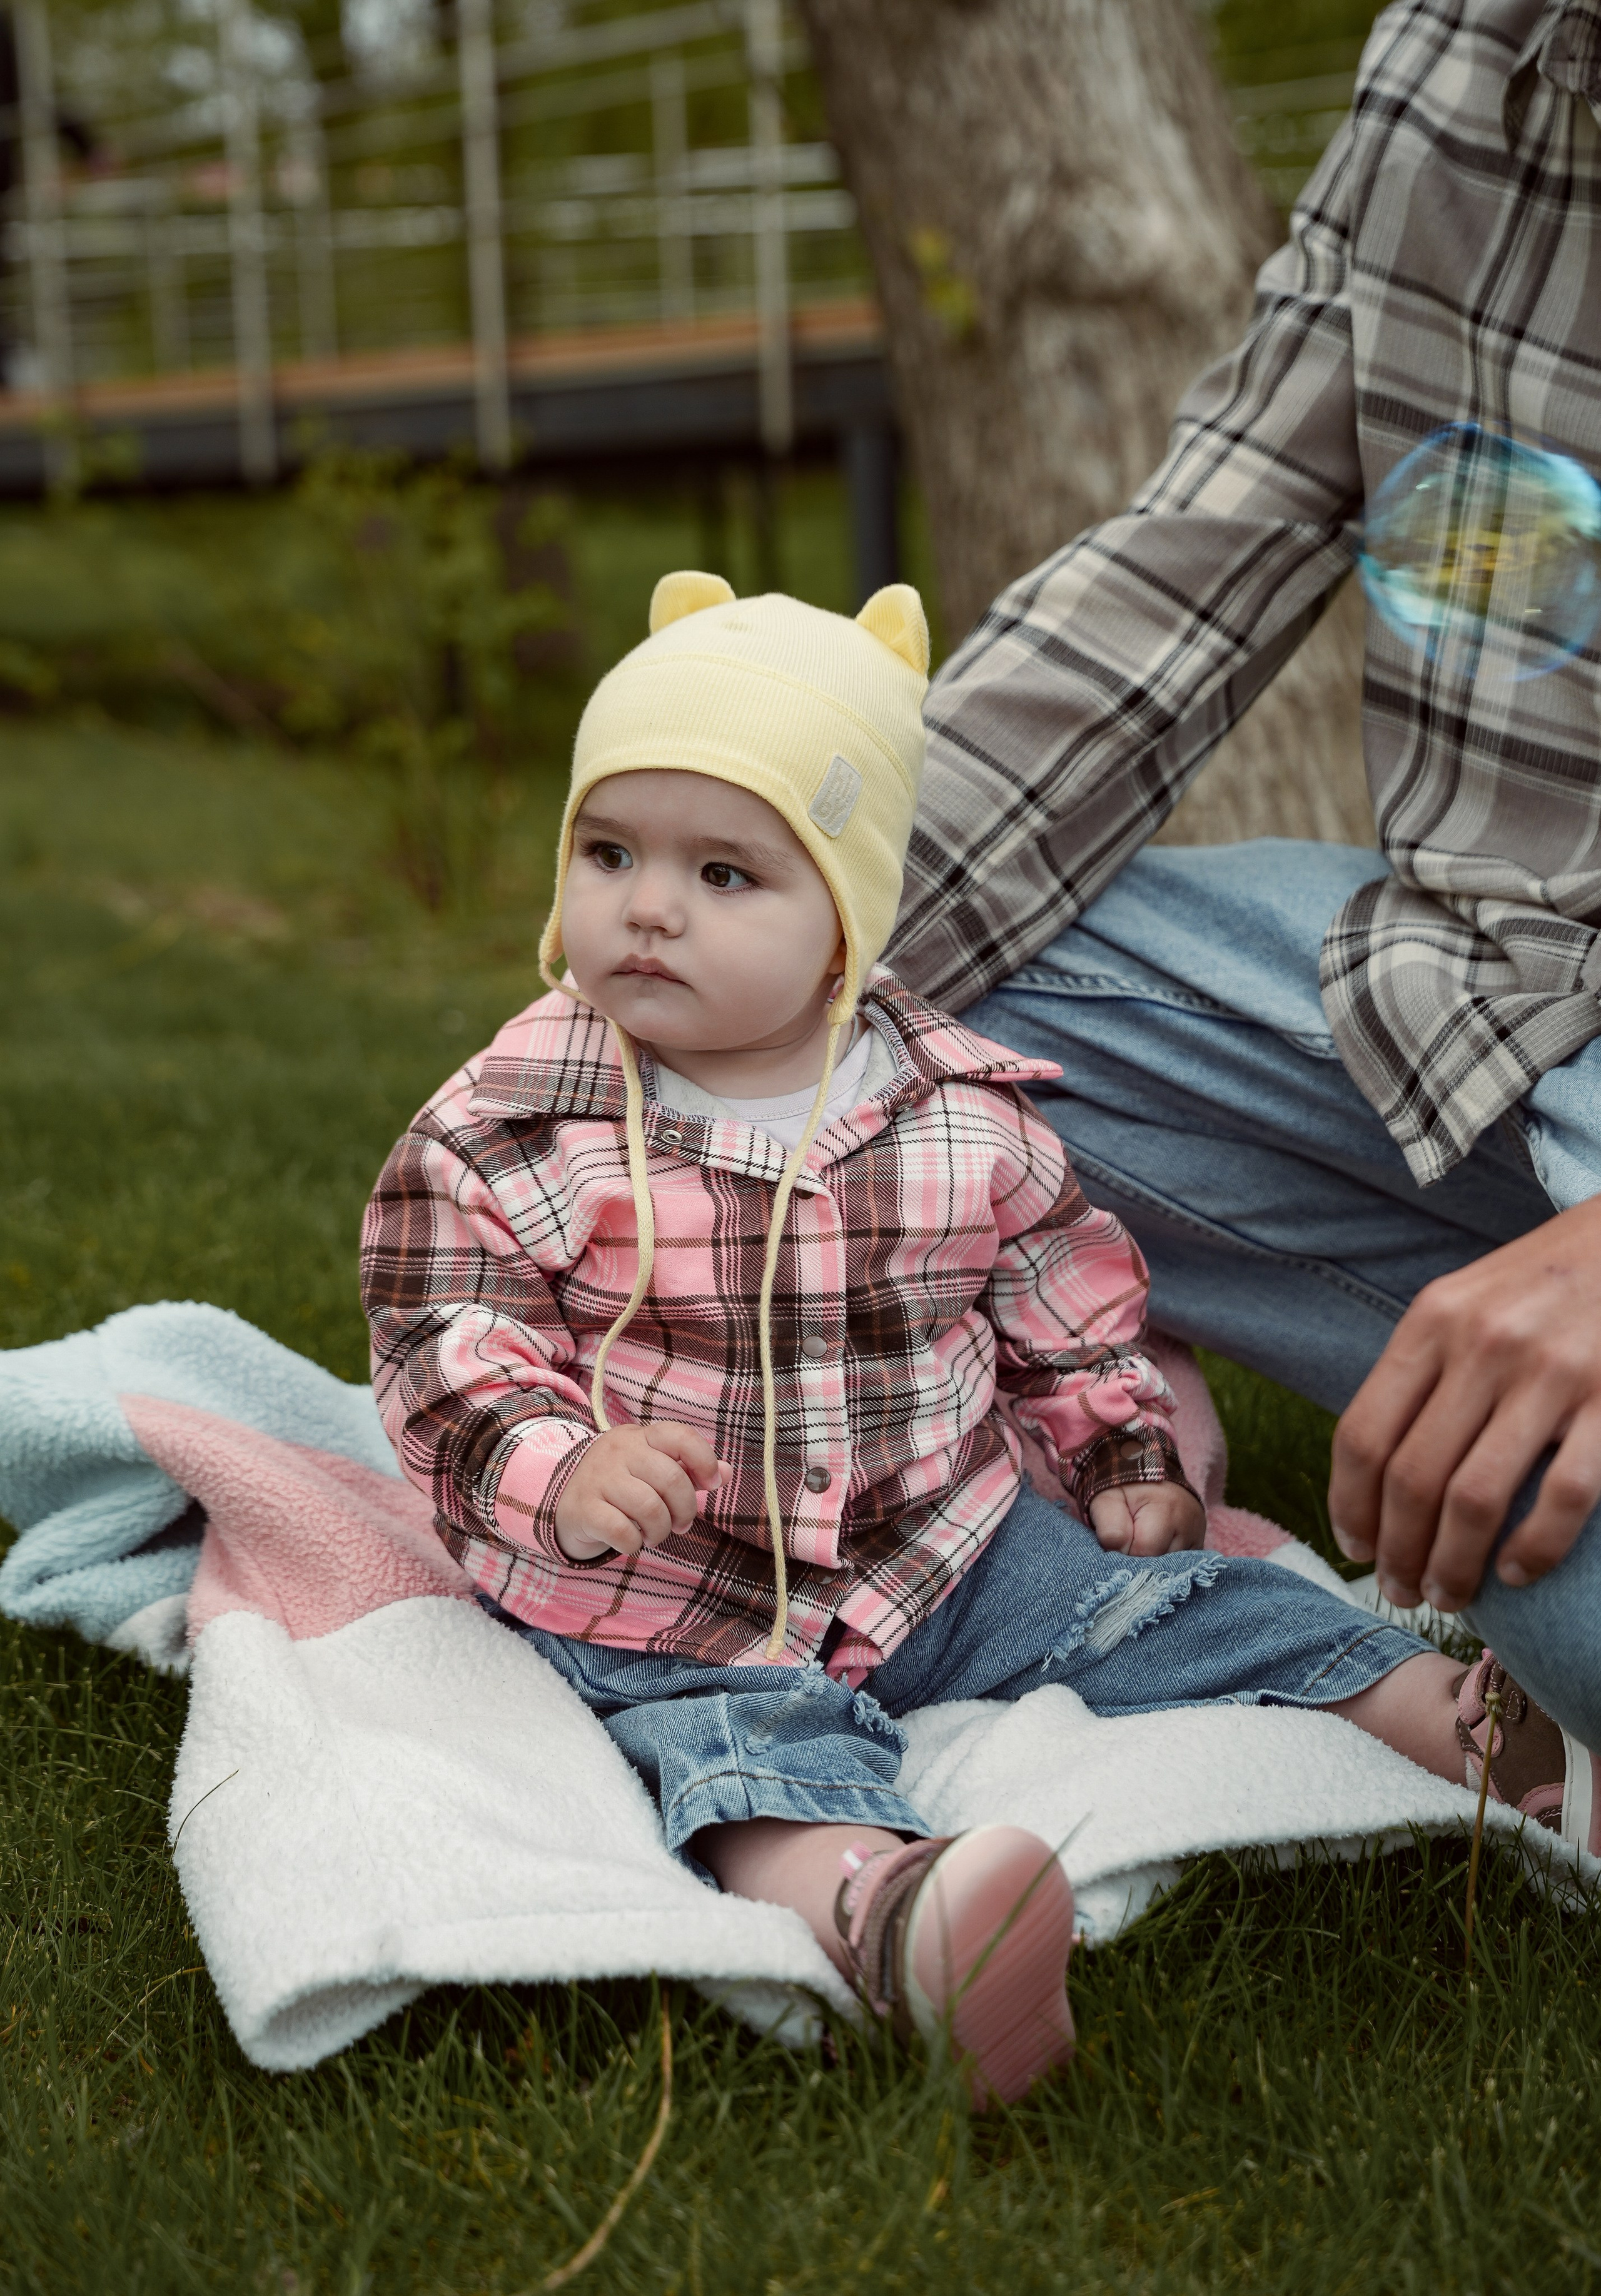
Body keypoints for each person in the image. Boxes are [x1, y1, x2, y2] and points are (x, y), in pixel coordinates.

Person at [361, 572, 1570, 2110]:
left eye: (725, 873)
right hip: (678, 1588)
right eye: (609, 854)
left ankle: (1448, 1729)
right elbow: (438, 1336)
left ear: (844, 923)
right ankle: (890, 1911)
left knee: (1180, 1605)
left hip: (953, 1546)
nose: (647, 905)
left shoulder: (956, 1113)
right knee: (735, 1754)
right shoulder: (515, 1124)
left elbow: (1062, 1307)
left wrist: (1122, 1447)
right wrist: (562, 1467)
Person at [889, 0, 1601, 1759]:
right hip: (1490, 991)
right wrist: (649, 1004)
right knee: (859, 1009)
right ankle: (1214, 1379)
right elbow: (1187, 561)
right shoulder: (1472, 57)